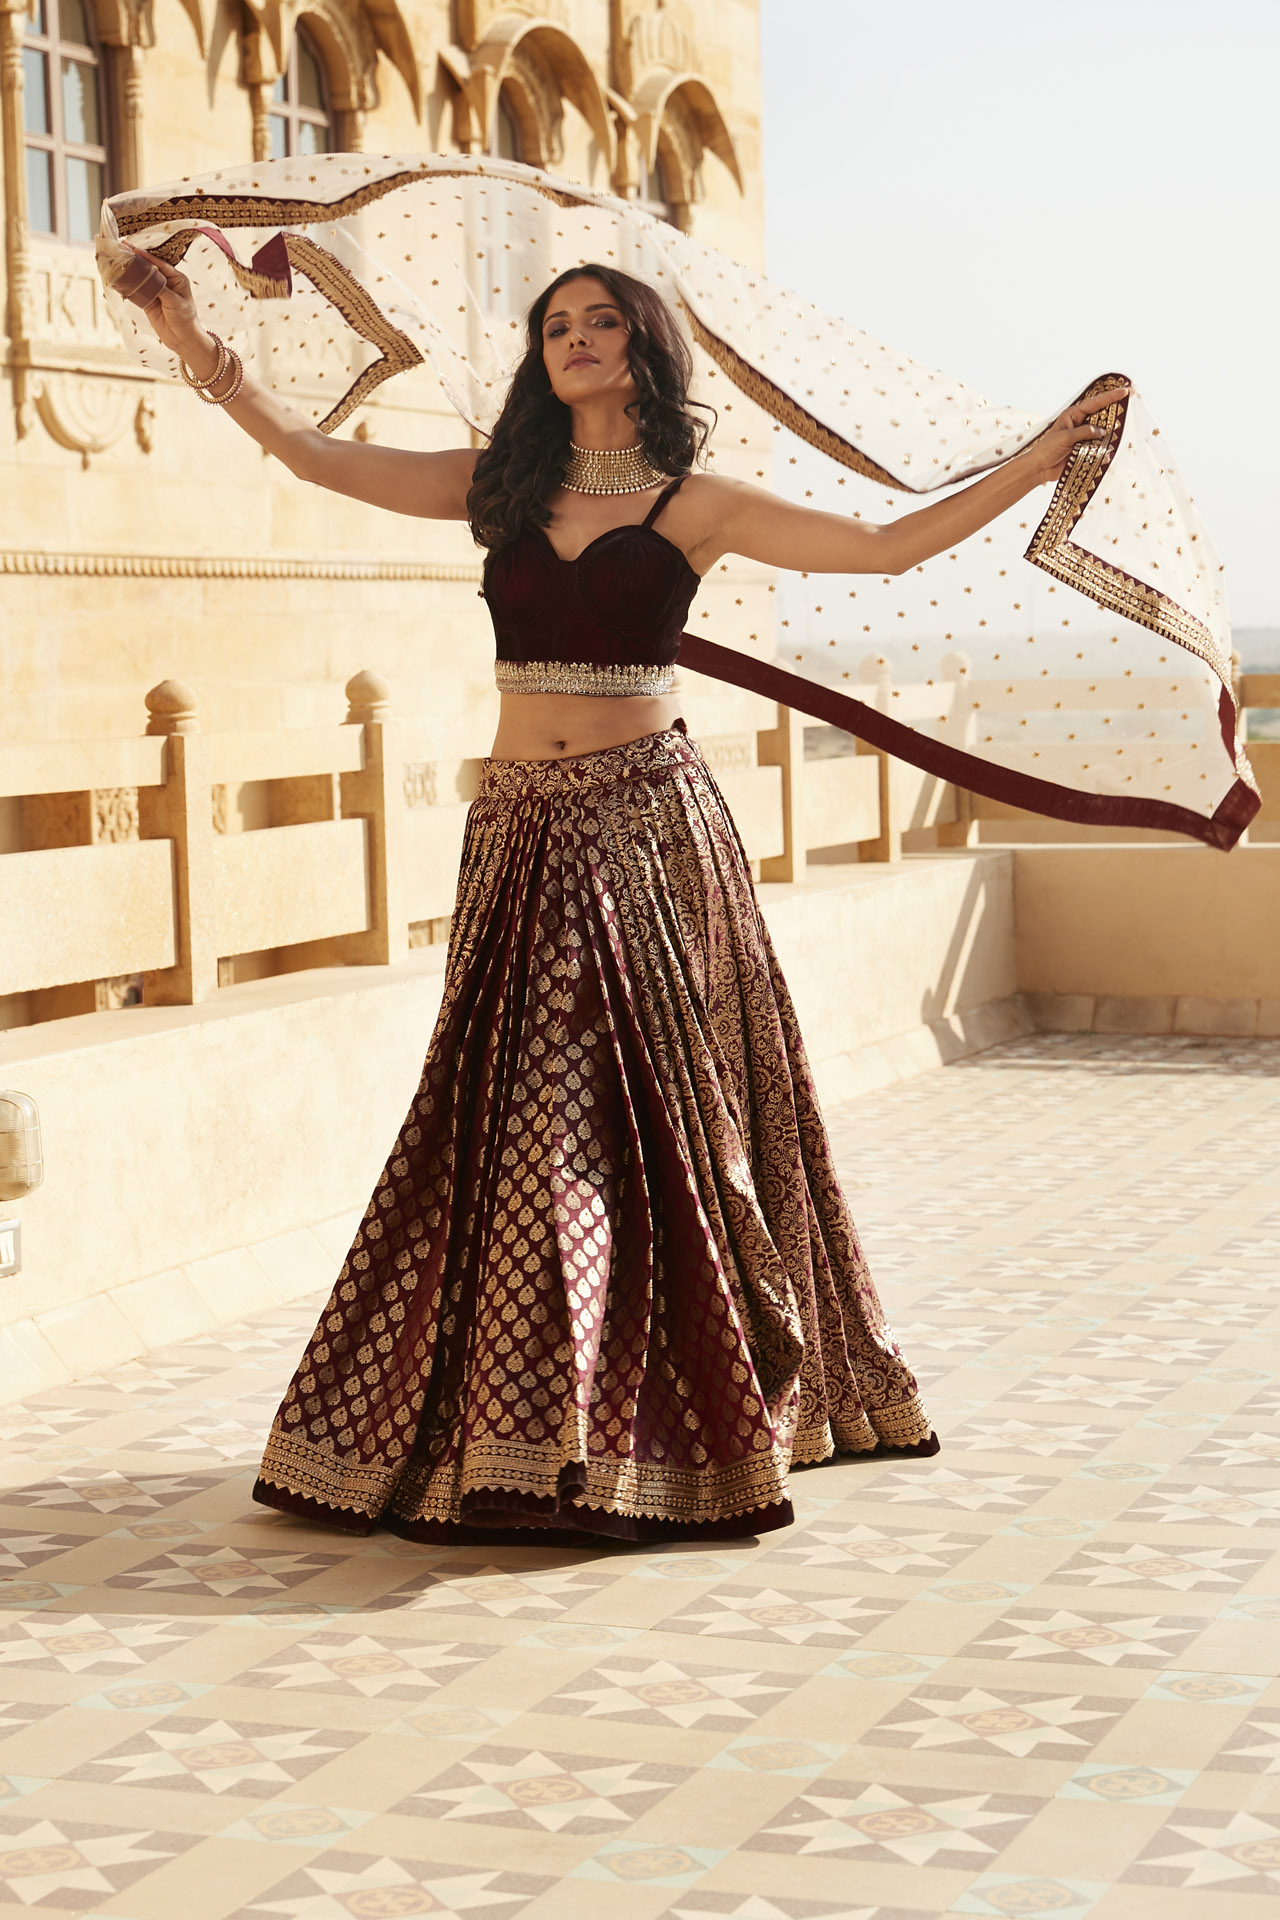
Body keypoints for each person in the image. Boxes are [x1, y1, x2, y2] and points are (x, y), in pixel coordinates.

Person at [132, 248, 1124, 1544]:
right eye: (556, 327)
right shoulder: (503, 488)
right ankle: (530, 1434)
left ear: (642, 350)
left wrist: (1039, 459)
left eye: (601, 322)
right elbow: (315, 457)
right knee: (515, 1123)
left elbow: (882, 550)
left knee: (642, 1133)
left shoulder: (693, 502)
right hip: (520, 834)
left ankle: (624, 1435)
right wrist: (189, 332)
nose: (577, 340)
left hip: (645, 831)